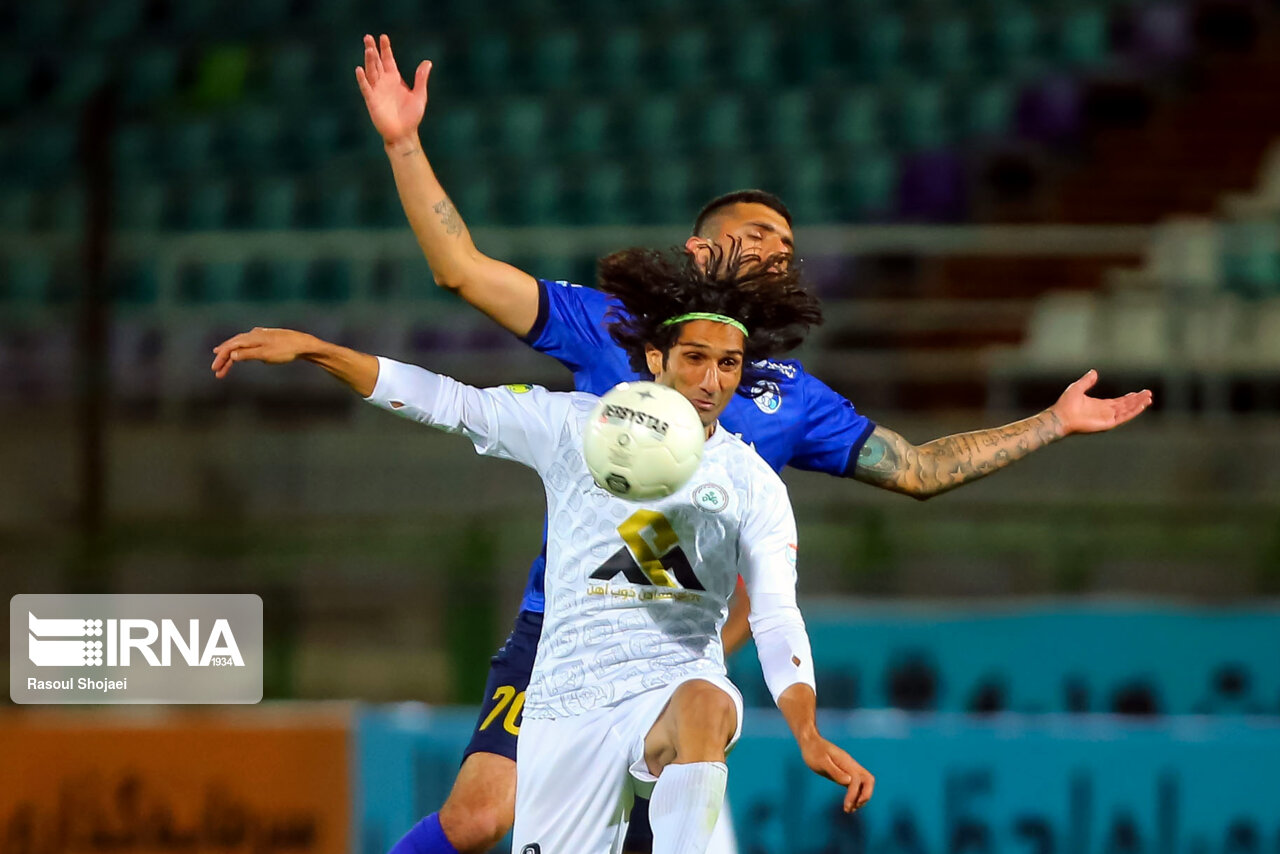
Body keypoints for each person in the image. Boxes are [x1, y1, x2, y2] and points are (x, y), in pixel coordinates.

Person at [354, 34, 1154, 854]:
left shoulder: (791, 395)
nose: (780, 249)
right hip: (562, 629)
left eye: (790, 245)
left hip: (674, 658)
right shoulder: (612, 327)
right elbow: (460, 268)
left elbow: (916, 469)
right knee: (478, 818)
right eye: (761, 233)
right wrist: (403, 142)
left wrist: (1052, 421)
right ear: (702, 250)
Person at [211, 245, 877, 854]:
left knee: (706, 700)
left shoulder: (752, 482)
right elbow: (450, 403)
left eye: (728, 364)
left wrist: (806, 729)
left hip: (671, 689)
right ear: (656, 359)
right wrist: (318, 351)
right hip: (566, 709)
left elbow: (776, 613)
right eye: (695, 358)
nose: (711, 380)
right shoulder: (577, 427)